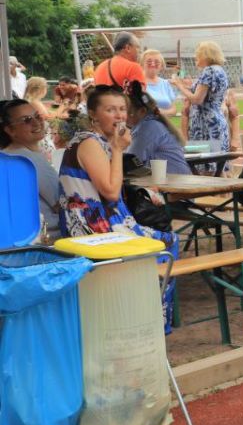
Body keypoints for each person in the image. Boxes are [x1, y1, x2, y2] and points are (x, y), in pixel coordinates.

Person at [58, 85, 178, 331]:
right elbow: (111, 192)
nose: (119, 115)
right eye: (110, 110)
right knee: (167, 241)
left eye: (122, 109)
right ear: (93, 114)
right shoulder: (89, 142)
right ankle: (150, 321)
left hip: (104, 221)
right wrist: (118, 148)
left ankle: (141, 315)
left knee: (165, 237)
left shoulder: (100, 140)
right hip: (94, 228)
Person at [1, 99, 60, 240]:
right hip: (47, 238)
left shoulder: (7, 155)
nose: (36, 122)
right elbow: (60, 204)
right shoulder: (29, 159)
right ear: (10, 130)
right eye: (26, 120)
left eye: (37, 116)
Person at [171, 41, 230, 175]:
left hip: (205, 125)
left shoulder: (208, 71)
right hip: (215, 121)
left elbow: (197, 99)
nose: (195, 57)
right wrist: (181, 83)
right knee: (218, 167)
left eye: (198, 54)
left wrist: (179, 86)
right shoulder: (220, 70)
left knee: (205, 167)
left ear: (206, 55)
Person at [126, 82, 189, 176]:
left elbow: (130, 161)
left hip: (173, 182)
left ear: (142, 111)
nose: (122, 116)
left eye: (127, 111)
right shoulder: (154, 123)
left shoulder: (147, 128)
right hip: (176, 179)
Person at [139, 49, 178, 115]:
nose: (153, 64)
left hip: (164, 122)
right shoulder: (137, 84)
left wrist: (159, 112)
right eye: (149, 61)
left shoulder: (166, 84)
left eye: (157, 62)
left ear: (161, 66)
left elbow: (174, 110)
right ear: (142, 64)